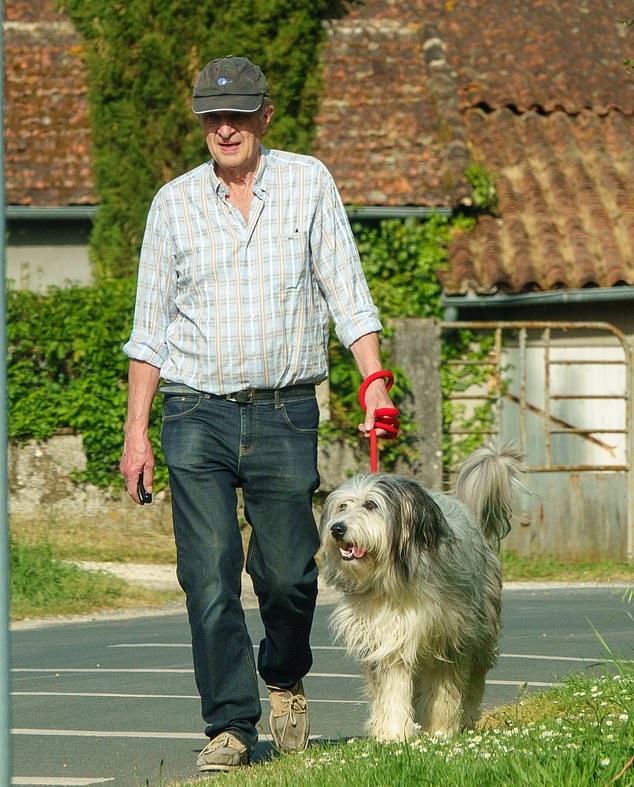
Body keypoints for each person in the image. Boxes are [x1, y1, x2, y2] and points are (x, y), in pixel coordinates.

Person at [119, 55, 395, 773]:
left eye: (238, 112)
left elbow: (349, 293)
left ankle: (284, 674)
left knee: (289, 577)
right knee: (207, 576)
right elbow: (148, 332)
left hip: (284, 413)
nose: (225, 126)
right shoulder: (172, 204)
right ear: (201, 124)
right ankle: (231, 725)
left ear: (265, 115)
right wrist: (135, 432)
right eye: (213, 116)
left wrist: (375, 383)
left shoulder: (308, 182)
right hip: (194, 413)